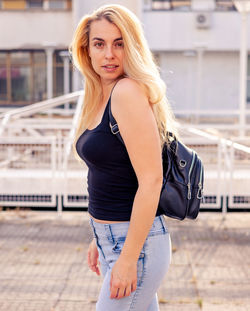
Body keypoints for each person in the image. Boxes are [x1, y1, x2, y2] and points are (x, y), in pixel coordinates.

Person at [69, 4, 177, 311]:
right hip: (114, 241)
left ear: (132, 48)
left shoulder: (127, 92)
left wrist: (128, 257)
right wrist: (99, 239)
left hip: (135, 246)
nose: (109, 55)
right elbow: (114, 174)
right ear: (86, 50)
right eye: (99, 44)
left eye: (119, 44)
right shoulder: (102, 95)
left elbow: (151, 179)